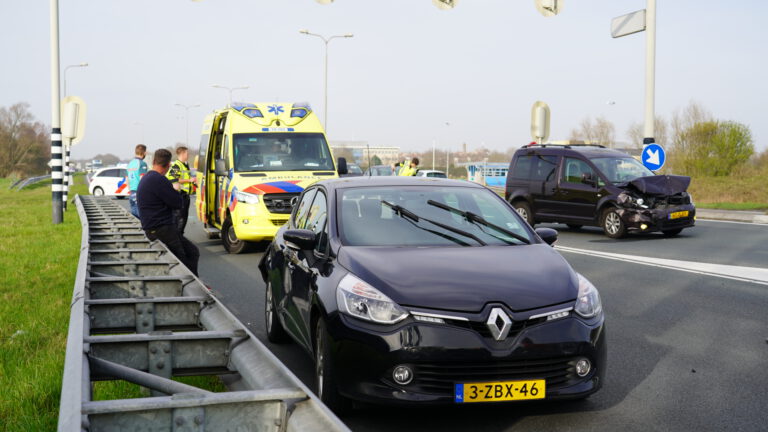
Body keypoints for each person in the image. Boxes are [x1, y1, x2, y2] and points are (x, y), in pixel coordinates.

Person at [137, 149, 200, 276]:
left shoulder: (146, 178)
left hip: (153, 227)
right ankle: (192, 285)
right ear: (168, 166)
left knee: (192, 251)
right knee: (184, 258)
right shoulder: (160, 180)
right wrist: (175, 190)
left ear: (154, 161)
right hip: (161, 228)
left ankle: (194, 281)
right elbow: (177, 203)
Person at [165, 146, 194, 234]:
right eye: (187, 153)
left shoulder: (185, 164)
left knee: (183, 218)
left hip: (185, 196)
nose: (188, 155)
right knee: (179, 219)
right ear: (182, 154)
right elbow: (173, 179)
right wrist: (189, 180)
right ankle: (178, 237)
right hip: (180, 195)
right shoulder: (177, 165)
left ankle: (179, 236)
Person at [126, 144, 148, 218]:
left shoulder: (130, 164)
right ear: (144, 153)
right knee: (142, 217)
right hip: (139, 192)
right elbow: (143, 179)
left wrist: (130, 191)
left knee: (135, 217)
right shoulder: (142, 163)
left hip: (131, 193)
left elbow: (127, 179)